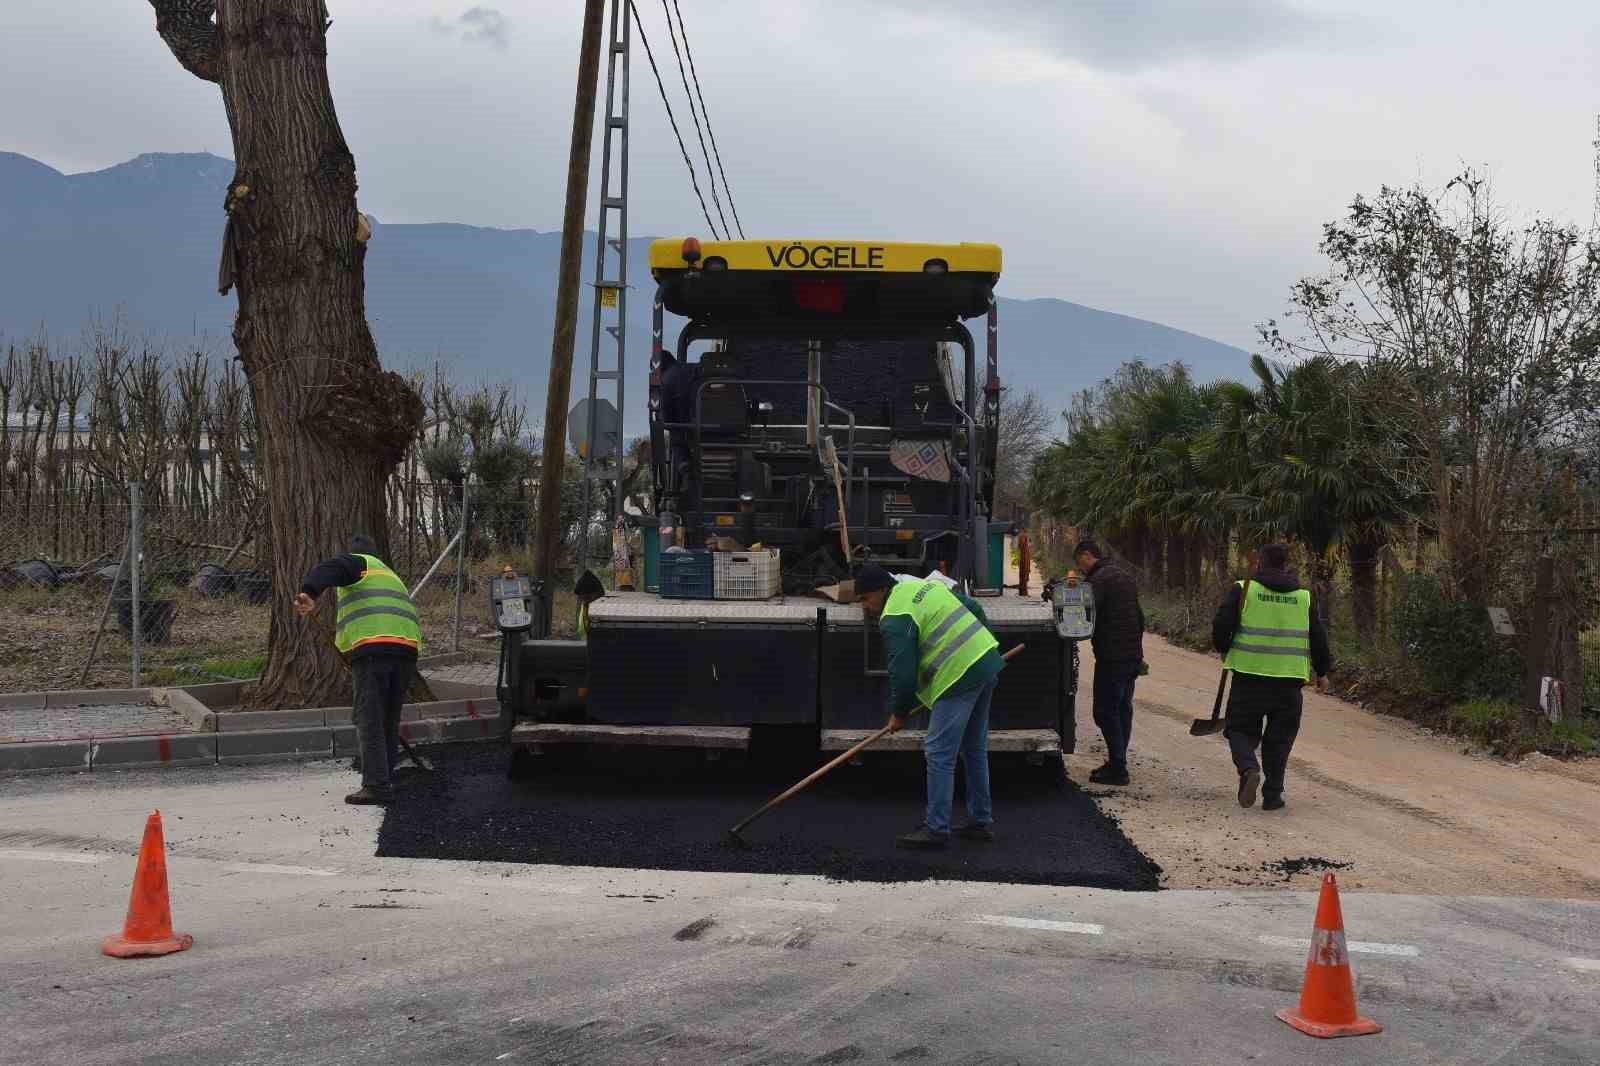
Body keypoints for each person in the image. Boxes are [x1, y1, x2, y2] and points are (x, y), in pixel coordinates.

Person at [855, 562, 1004, 849]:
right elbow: (971, 606)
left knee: (938, 752)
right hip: (985, 664)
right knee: (973, 749)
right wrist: (986, 644)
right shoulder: (921, 586)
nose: (864, 606)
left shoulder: (895, 616)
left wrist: (899, 713)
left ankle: (936, 829)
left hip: (959, 676)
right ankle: (980, 822)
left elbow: (903, 673)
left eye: (865, 598)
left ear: (881, 590)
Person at [294, 535, 421, 806]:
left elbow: (329, 569)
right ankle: (385, 776)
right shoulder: (390, 575)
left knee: (369, 717)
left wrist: (309, 591)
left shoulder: (359, 563)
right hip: (406, 651)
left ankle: (375, 785)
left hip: (376, 650)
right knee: (388, 717)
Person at [1212, 543, 1330, 811]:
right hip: (1289, 683)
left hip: (1249, 676)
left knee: (1239, 729)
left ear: (1261, 563)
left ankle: (1248, 769)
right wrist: (1322, 671)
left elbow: (1221, 624)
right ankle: (1273, 795)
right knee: (1280, 739)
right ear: (1287, 565)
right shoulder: (1303, 597)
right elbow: (1318, 637)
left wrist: (1222, 647)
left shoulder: (1244, 589)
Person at [1073, 541, 1144, 786]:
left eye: (1079, 562)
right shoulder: (1124, 576)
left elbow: (1085, 616)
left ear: (1087, 555)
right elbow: (1139, 616)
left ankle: (1118, 769)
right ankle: (1118, 761)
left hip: (1112, 657)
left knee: (1105, 710)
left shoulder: (1098, 581)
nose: (1080, 568)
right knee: (1123, 707)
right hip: (1132, 655)